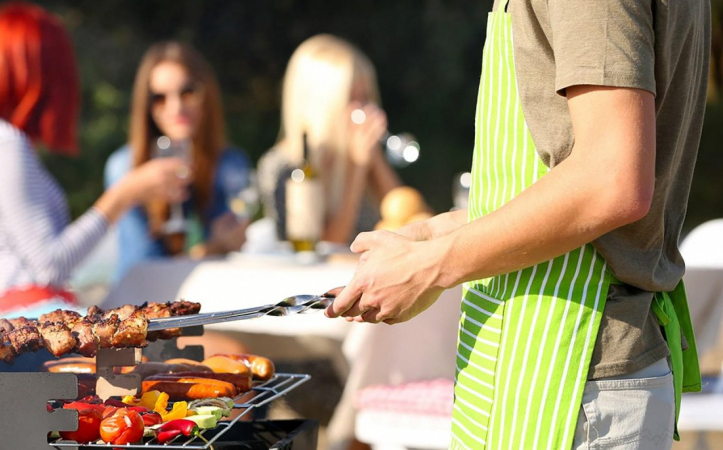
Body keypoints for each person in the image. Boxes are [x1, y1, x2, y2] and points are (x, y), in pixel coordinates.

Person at [326, 0, 709, 449]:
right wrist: (433, 233)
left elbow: (611, 180)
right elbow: (555, 185)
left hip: (569, 374)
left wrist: (430, 265)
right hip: (539, 367)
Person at [0, 2, 189, 322]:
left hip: (3, 313)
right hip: (24, 315)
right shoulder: (4, 145)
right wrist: (125, 193)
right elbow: (49, 265)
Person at [105, 42, 249, 281]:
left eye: (188, 92)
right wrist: (210, 248)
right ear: (147, 106)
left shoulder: (230, 164)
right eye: (159, 98)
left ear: (207, 94)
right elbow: (142, 270)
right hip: (143, 306)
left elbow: (238, 250)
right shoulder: (125, 167)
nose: (176, 107)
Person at [257, 34, 401, 245]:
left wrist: (375, 161)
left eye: (366, 97)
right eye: (351, 98)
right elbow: (323, 248)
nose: (362, 110)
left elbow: (411, 219)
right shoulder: (284, 167)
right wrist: (357, 167)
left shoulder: (364, 154)